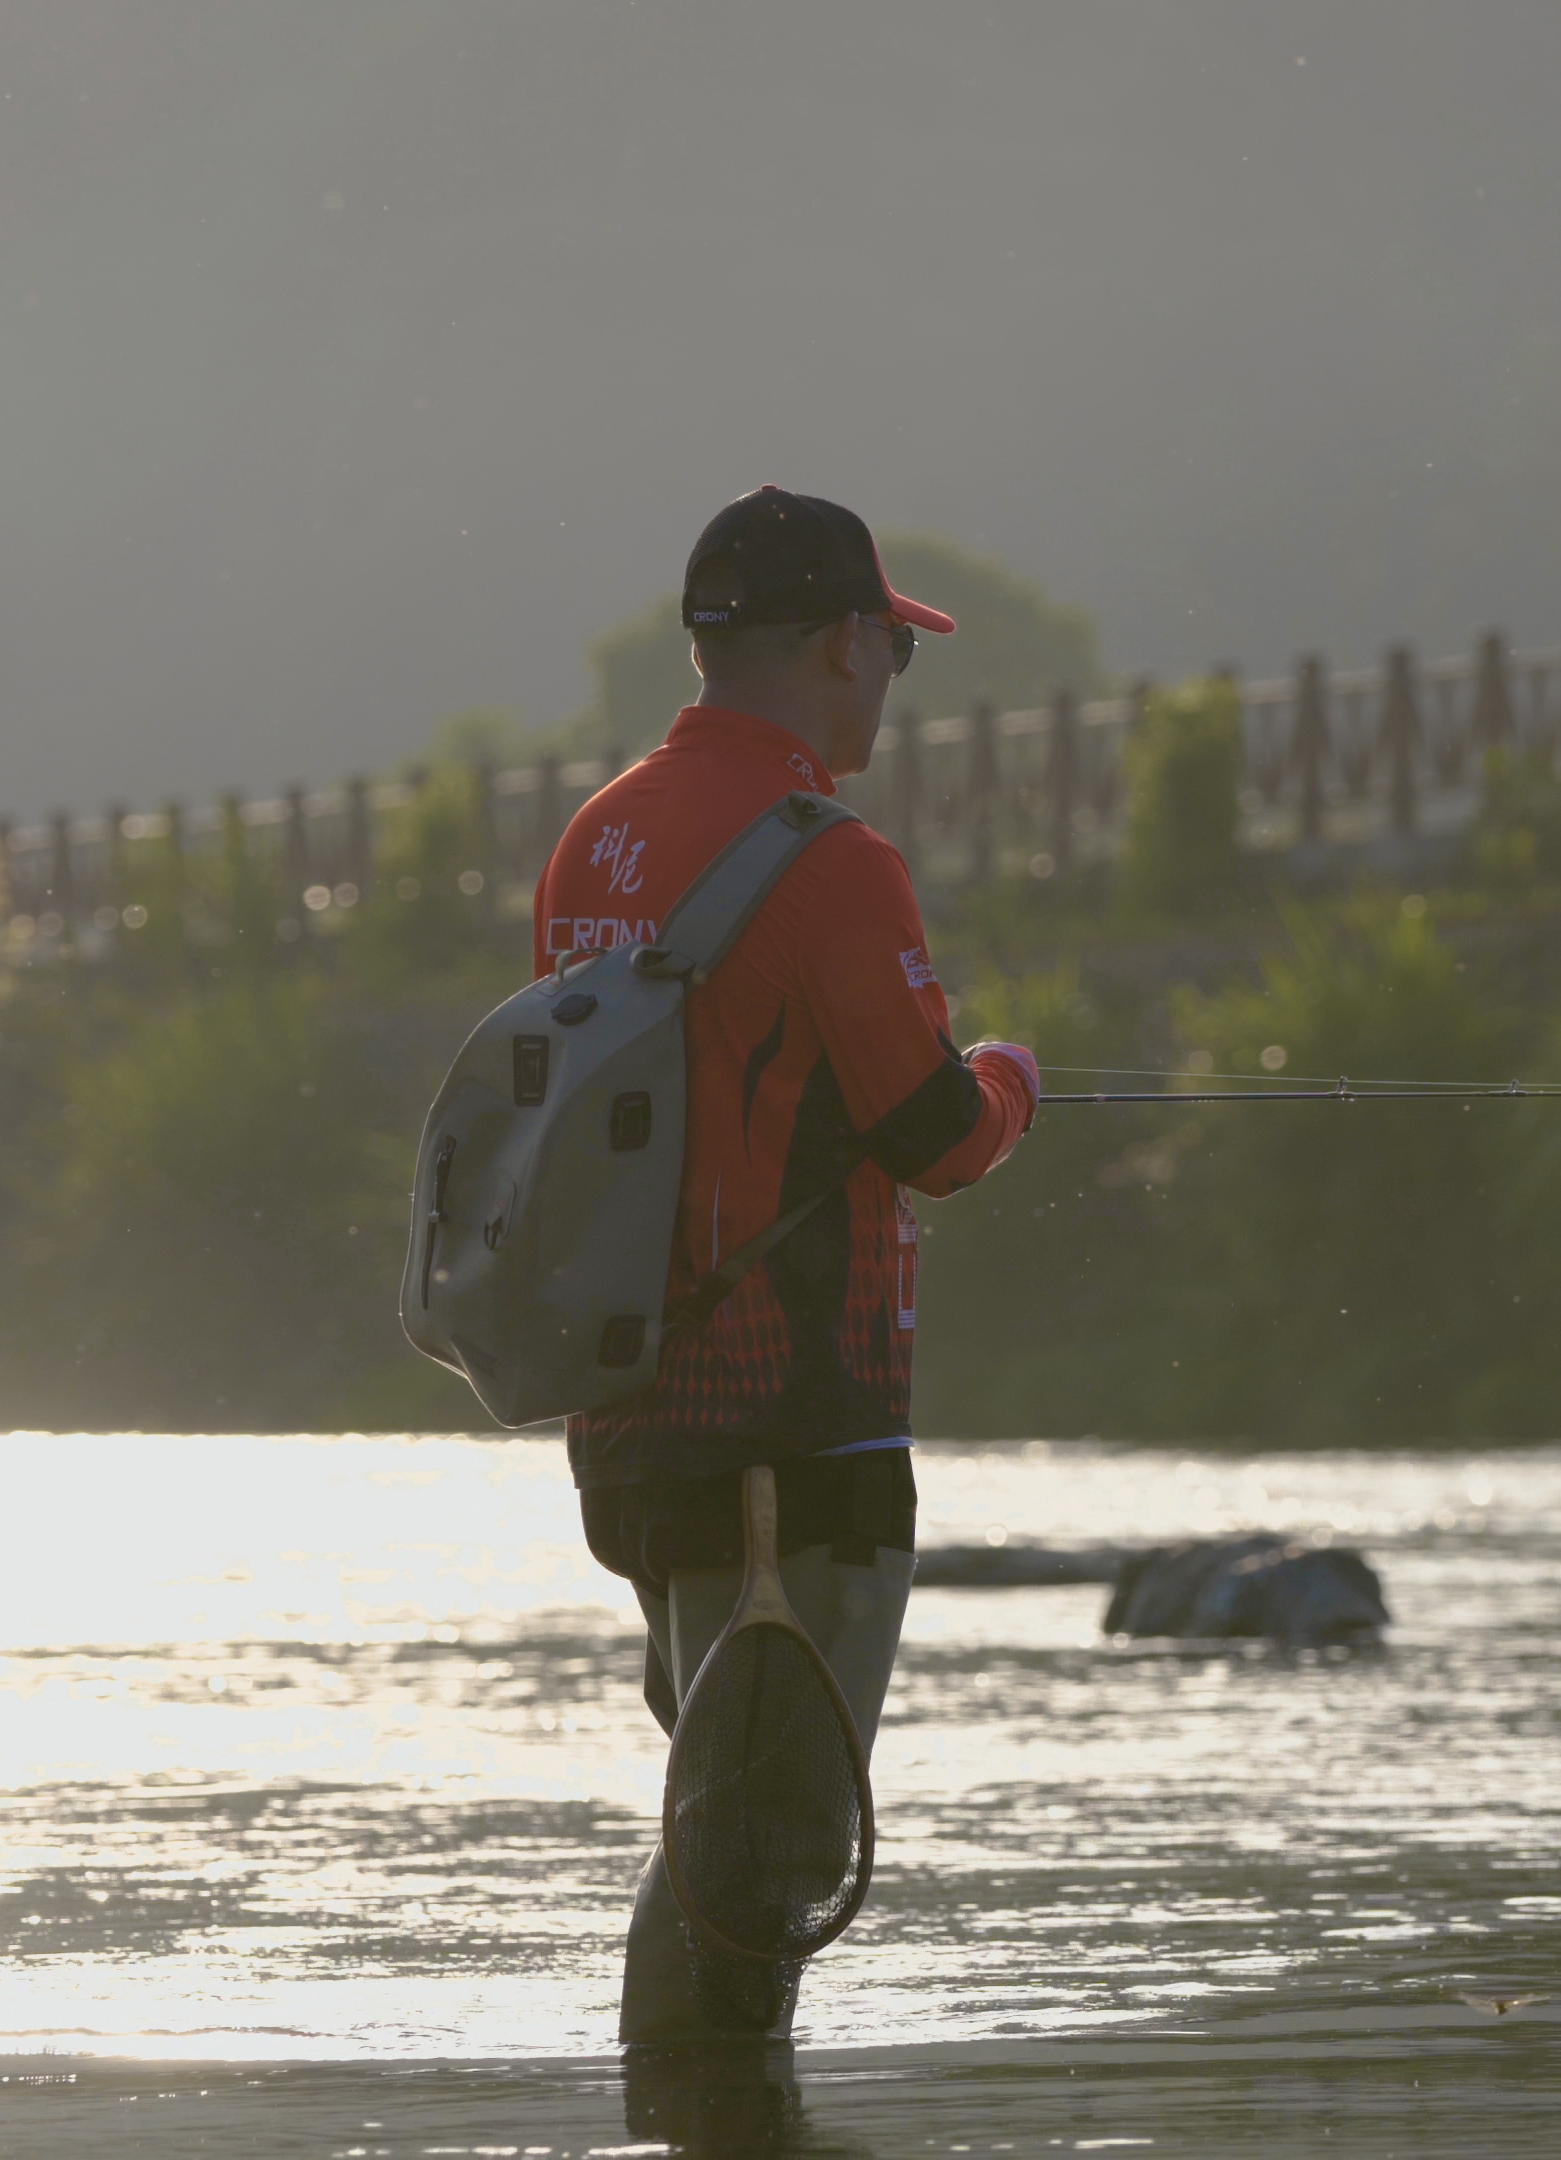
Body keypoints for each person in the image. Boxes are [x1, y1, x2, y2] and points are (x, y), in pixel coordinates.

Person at [534, 485, 1040, 2045]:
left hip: (634, 1421)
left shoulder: (597, 838)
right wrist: (1014, 1074)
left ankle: (680, 2115)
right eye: (892, 645)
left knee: (718, 1816)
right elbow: (939, 1135)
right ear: (836, 643)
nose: (891, 675)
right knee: (768, 1853)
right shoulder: (829, 858)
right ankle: (707, 2118)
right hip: (803, 1436)